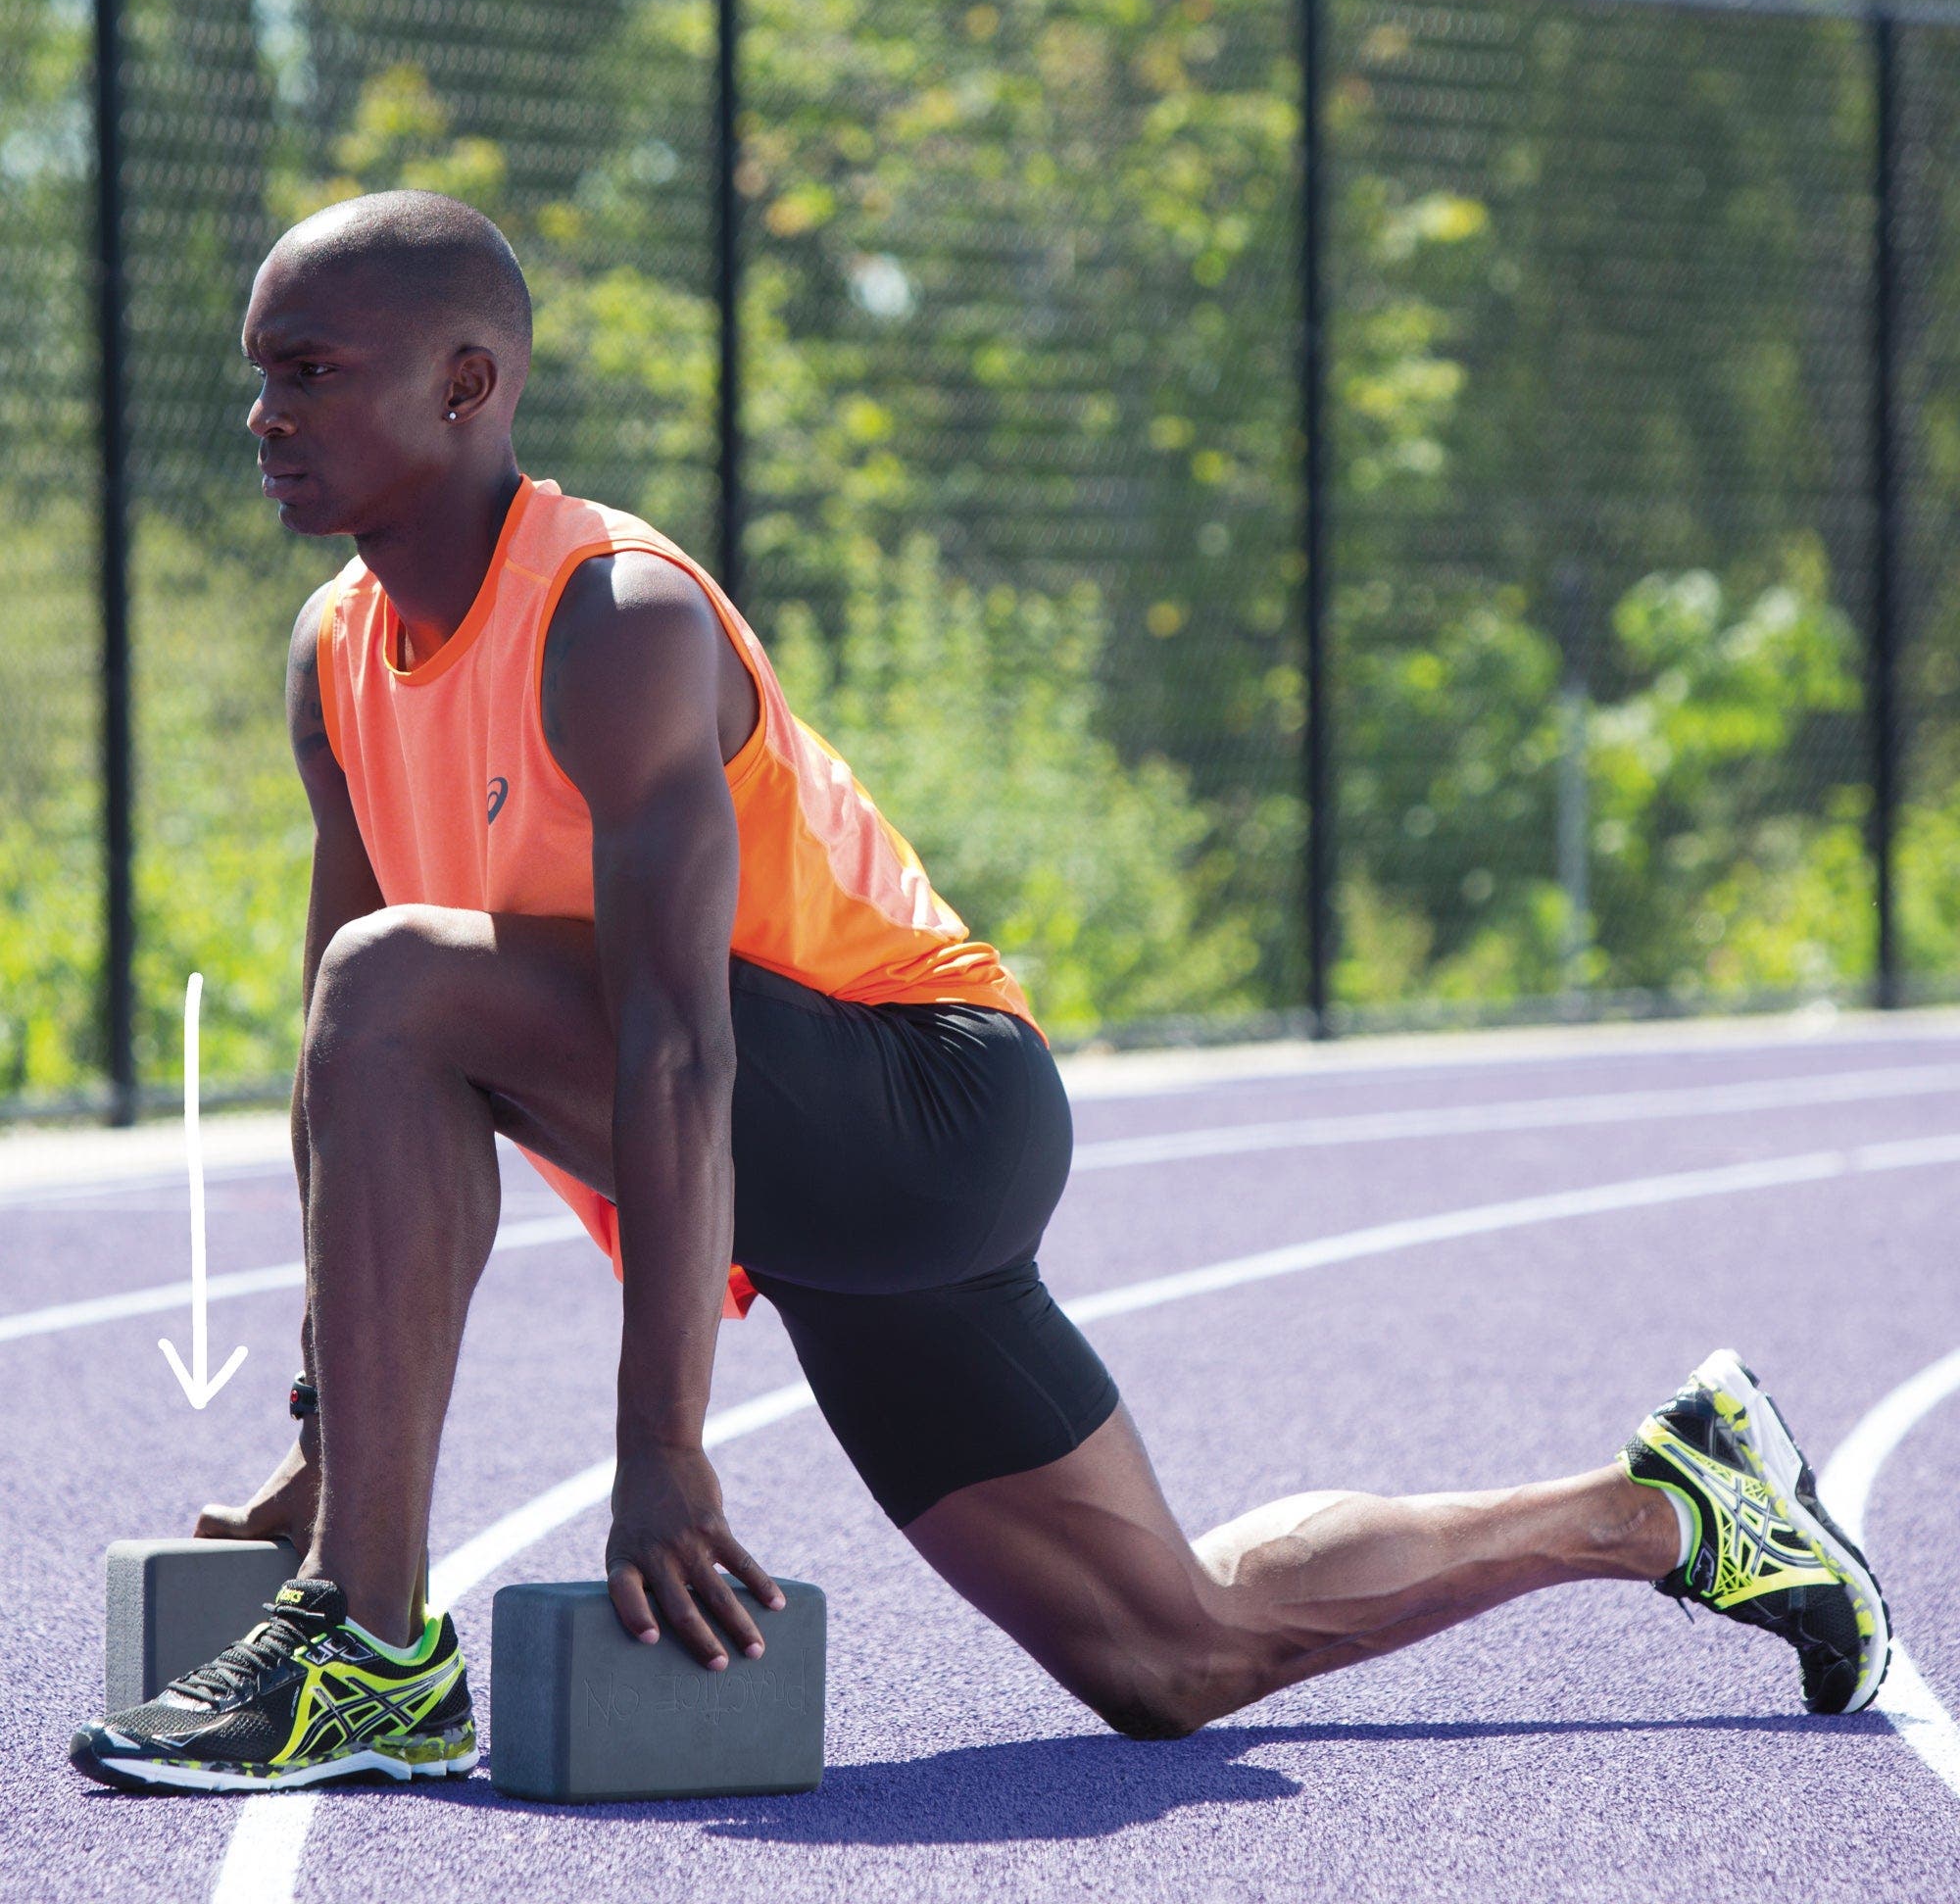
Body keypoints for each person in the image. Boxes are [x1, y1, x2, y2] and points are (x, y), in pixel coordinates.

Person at [70, 192, 1889, 1794]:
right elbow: (344, 1080)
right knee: (1173, 1654)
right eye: (261, 372)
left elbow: (679, 1039)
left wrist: (662, 1452)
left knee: (399, 983)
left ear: (467, 388)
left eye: (309, 371)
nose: (265, 414)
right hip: (805, 1177)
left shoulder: (613, 618)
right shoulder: (336, 659)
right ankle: (1671, 1504)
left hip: (915, 1105)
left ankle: (371, 1652)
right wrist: (334, 1444)